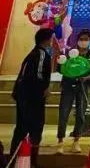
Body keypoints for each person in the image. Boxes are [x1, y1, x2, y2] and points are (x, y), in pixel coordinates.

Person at [10, 28, 53, 162]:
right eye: (51, 38)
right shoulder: (41, 54)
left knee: (22, 127)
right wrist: (44, 89)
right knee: (34, 127)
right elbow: (37, 75)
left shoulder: (32, 54)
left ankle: (15, 159)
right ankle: (29, 160)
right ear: (45, 40)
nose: (52, 41)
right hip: (32, 97)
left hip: (24, 95)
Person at [56, 28, 90, 153]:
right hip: (68, 85)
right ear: (77, 40)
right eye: (81, 39)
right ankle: (60, 141)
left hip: (83, 87)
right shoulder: (70, 53)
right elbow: (60, 68)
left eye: (86, 39)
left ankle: (76, 141)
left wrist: (86, 78)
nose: (83, 41)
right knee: (63, 113)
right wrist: (61, 64)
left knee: (81, 114)